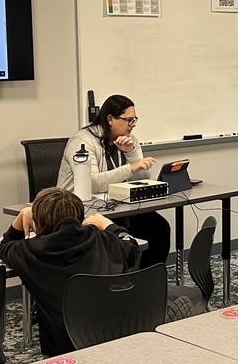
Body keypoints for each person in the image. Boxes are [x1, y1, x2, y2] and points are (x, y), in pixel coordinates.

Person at [0, 187, 141, 357]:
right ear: (81, 219)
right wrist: (108, 225)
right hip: (114, 339)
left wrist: (23, 214)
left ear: (37, 223)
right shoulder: (101, 239)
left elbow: (6, 245)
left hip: (64, 351)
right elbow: (131, 247)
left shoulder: (29, 252)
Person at [58, 94, 171, 269]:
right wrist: (130, 167)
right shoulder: (83, 141)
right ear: (110, 119)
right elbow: (93, 183)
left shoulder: (130, 140)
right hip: (81, 211)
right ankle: (118, 287)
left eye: (134, 120)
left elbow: (143, 178)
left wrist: (130, 154)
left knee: (159, 229)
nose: (132, 126)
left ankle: (147, 284)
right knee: (116, 240)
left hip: (115, 207)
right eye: (128, 120)